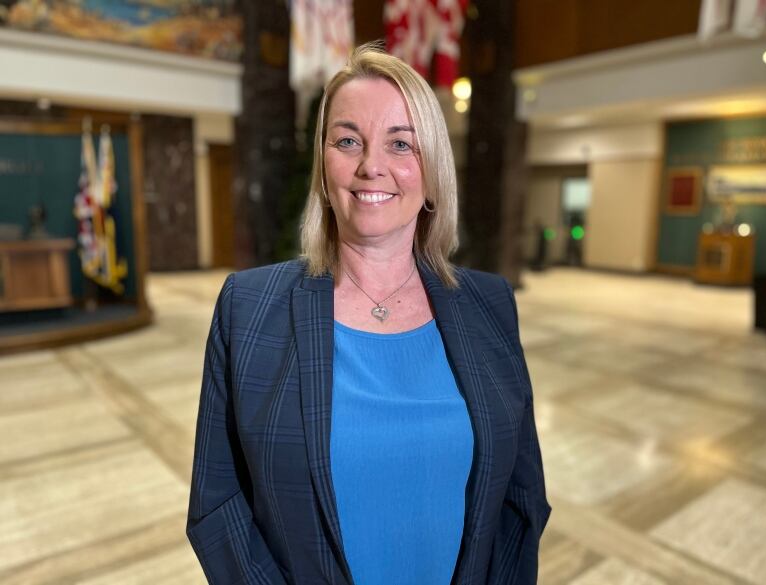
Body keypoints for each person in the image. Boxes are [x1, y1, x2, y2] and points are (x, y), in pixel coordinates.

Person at [187, 43, 550, 585]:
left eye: (400, 143)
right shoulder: (247, 307)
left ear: (431, 172)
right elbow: (218, 505)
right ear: (323, 161)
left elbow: (521, 499)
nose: (370, 166)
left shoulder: (490, 305)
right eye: (348, 140)